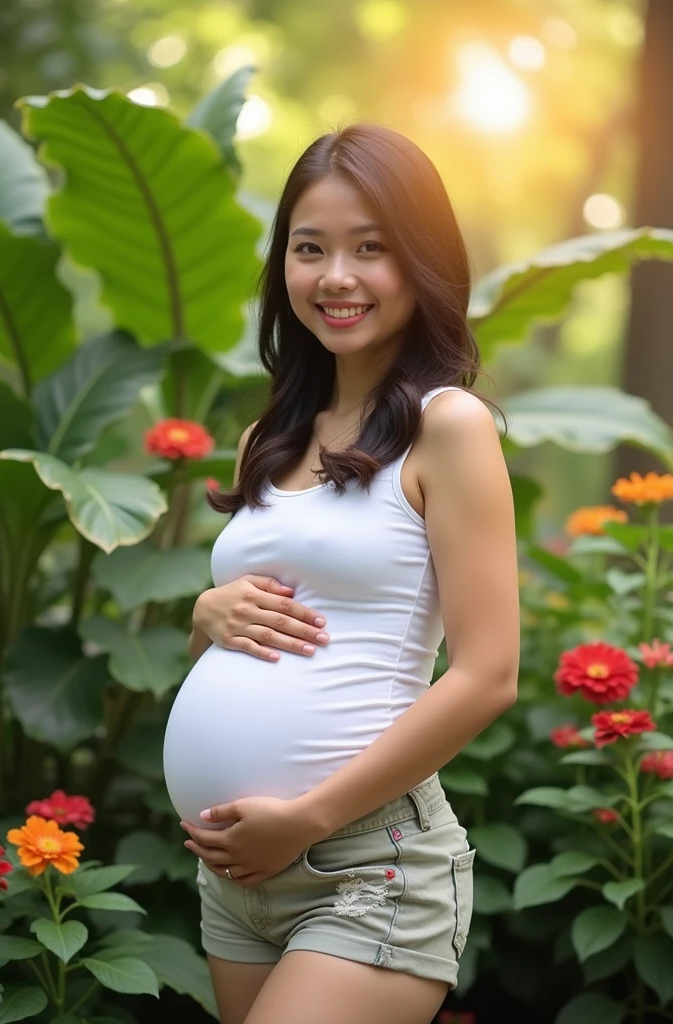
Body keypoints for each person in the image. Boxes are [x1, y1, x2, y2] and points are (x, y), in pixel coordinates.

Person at [162, 121, 519, 1024]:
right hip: (238, 876)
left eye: (372, 248)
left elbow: (488, 677)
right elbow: (258, 638)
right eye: (309, 248)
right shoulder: (266, 439)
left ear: (425, 262)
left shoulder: (449, 425)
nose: (336, 277)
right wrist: (206, 614)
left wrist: (310, 817)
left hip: (366, 865)